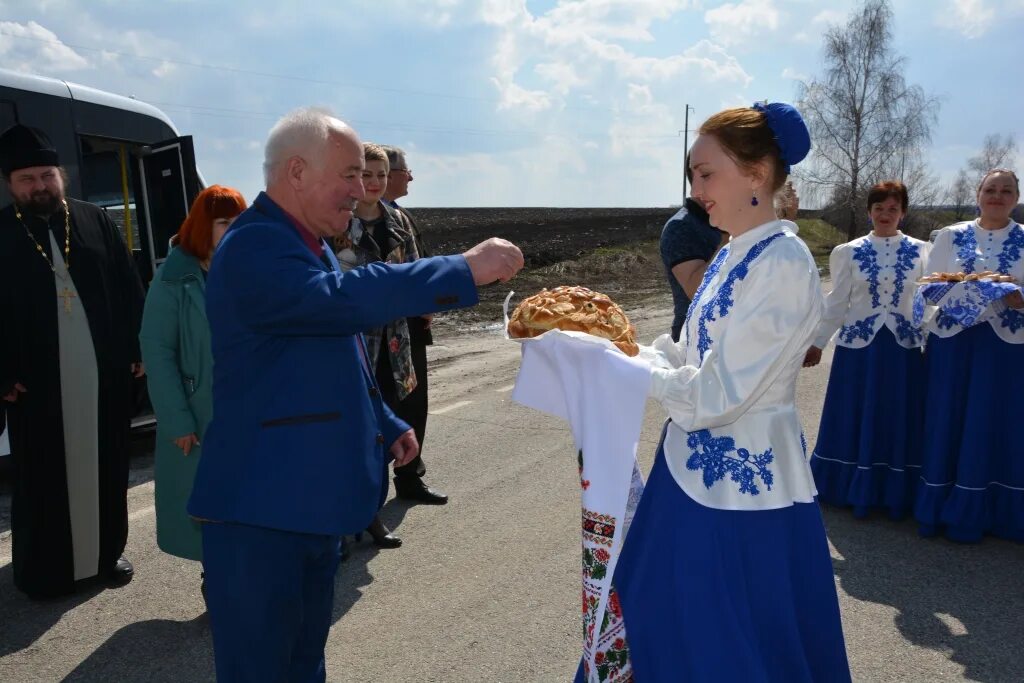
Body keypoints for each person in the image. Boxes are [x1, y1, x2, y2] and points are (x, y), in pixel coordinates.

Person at [186, 107, 523, 682]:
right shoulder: (254, 246)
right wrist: (460, 269)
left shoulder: (306, 242)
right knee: (261, 667)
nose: (361, 188)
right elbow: (337, 302)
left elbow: (330, 349)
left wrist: (385, 419)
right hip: (261, 509)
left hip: (306, 504)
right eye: (347, 175)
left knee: (302, 660)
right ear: (296, 171)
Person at [585, 103, 850, 682]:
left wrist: (631, 374)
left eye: (707, 173)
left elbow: (718, 396)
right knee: (670, 614)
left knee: (725, 631)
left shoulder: (782, 261)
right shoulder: (733, 250)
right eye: (692, 175)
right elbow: (692, 355)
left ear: (756, 173)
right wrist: (620, 352)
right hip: (689, 472)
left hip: (745, 491)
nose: (695, 188)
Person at [0, 123, 145, 599]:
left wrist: (137, 350)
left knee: (107, 461)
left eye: (46, 175)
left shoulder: (95, 220)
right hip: (36, 382)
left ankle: (106, 554)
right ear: (10, 185)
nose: (39, 186)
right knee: (42, 475)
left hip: (101, 372)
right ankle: (45, 569)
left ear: (60, 175)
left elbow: (128, 285)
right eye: (27, 180)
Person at [139, 185, 247, 580]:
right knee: (209, 501)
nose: (233, 230)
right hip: (201, 411)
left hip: (249, 406)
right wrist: (176, 420)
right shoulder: (174, 278)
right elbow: (157, 350)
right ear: (205, 225)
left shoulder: (248, 270)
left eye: (239, 222)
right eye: (223, 222)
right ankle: (215, 580)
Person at [804, 180, 929, 519]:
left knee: (896, 416)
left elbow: (927, 304)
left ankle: (894, 492)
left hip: (902, 350)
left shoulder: (922, 251)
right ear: (869, 211)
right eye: (879, 208)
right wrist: (817, 342)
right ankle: (846, 487)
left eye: (892, 209)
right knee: (855, 414)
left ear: (902, 213)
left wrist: (931, 343)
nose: (885, 214)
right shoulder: (849, 252)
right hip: (858, 350)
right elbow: (837, 303)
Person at [915, 168, 1024, 543]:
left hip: (1004, 346)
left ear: (1016, 197)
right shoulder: (951, 235)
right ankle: (940, 505)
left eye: (1006, 190)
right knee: (949, 416)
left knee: (994, 419)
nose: (997, 195)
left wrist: (1018, 298)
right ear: (978, 193)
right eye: (990, 189)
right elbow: (929, 285)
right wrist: (971, 296)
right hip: (954, 339)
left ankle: (993, 510)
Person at [334, 143, 418, 548]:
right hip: (356, 341)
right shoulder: (338, 222)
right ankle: (351, 519)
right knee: (354, 431)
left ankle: (372, 514)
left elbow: (415, 273)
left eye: (380, 175)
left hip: (394, 342)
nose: (373, 183)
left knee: (387, 429)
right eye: (365, 175)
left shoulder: (399, 220)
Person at [379, 144, 447, 504]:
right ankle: (372, 491)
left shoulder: (398, 214)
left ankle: (409, 476)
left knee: (414, 401)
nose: (411, 176)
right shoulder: (365, 220)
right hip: (386, 330)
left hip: (411, 327)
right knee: (385, 402)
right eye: (405, 170)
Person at [660, 187, 727, 342]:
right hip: (694, 338)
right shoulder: (681, 227)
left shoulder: (714, 220)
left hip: (722, 333)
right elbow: (695, 289)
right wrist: (728, 238)